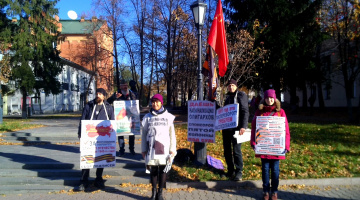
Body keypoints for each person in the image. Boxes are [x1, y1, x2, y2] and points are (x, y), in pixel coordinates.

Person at [250, 89, 290, 200]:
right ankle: (266, 191)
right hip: (264, 148)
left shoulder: (280, 112)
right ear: (264, 99)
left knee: (276, 171)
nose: (269, 100)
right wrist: (253, 142)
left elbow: (286, 130)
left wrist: (286, 145)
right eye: (267, 98)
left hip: (276, 149)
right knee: (265, 171)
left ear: (275, 99)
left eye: (271, 98)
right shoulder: (259, 112)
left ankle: (274, 192)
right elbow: (254, 128)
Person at [75, 88, 115, 191]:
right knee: (86, 158)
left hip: (102, 139)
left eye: (100, 94)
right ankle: (84, 181)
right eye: (97, 93)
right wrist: (80, 133)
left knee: (101, 158)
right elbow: (83, 120)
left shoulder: (109, 108)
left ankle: (98, 179)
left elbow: (112, 122)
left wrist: (113, 136)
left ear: (104, 96)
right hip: (89, 137)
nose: (98, 95)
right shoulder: (89, 106)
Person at [141, 94, 176, 200]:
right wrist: (143, 149)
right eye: (153, 102)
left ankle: (160, 193)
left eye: (157, 102)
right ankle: (154, 192)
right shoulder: (147, 117)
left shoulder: (168, 117)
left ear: (161, 103)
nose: (155, 104)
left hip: (164, 148)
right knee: (153, 170)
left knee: (163, 170)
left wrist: (172, 150)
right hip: (151, 148)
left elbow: (172, 135)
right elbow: (144, 134)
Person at [221, 79, 249, 181]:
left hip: (237, 129)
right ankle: (230, 171)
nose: (231, 87)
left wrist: (243, 126)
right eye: (229, 86)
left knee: (236, 151)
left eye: (233, 85)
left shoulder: (241, 96)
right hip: (227, 129)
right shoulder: (227, 98)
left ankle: (239, 172)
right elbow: (224, 113)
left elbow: (245, 111)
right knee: (227, 151)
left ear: (236, 86)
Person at [107, 79, 137, 156]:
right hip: (120, 118)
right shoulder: (117, 94)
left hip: (130, 117)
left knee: (131, 133)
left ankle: (131, 149)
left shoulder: (131, 94)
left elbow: (136, 103)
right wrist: (114, 97)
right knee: (120, 134)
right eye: (123, 86)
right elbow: (108, 102)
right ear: (120, 86)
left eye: (126, 85)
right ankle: (121, 150)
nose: (125, 87)